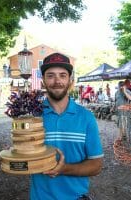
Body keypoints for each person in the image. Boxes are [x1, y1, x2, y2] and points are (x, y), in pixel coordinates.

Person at [30, 52, 103, 199]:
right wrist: (14, 155)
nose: (57, 81)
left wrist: (64, 169)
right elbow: (25, 156)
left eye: (62, 75)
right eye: (50, 75)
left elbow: (96, 165)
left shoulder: (86, 118)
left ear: (70, 80)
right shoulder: (32, 117)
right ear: (43, 81)